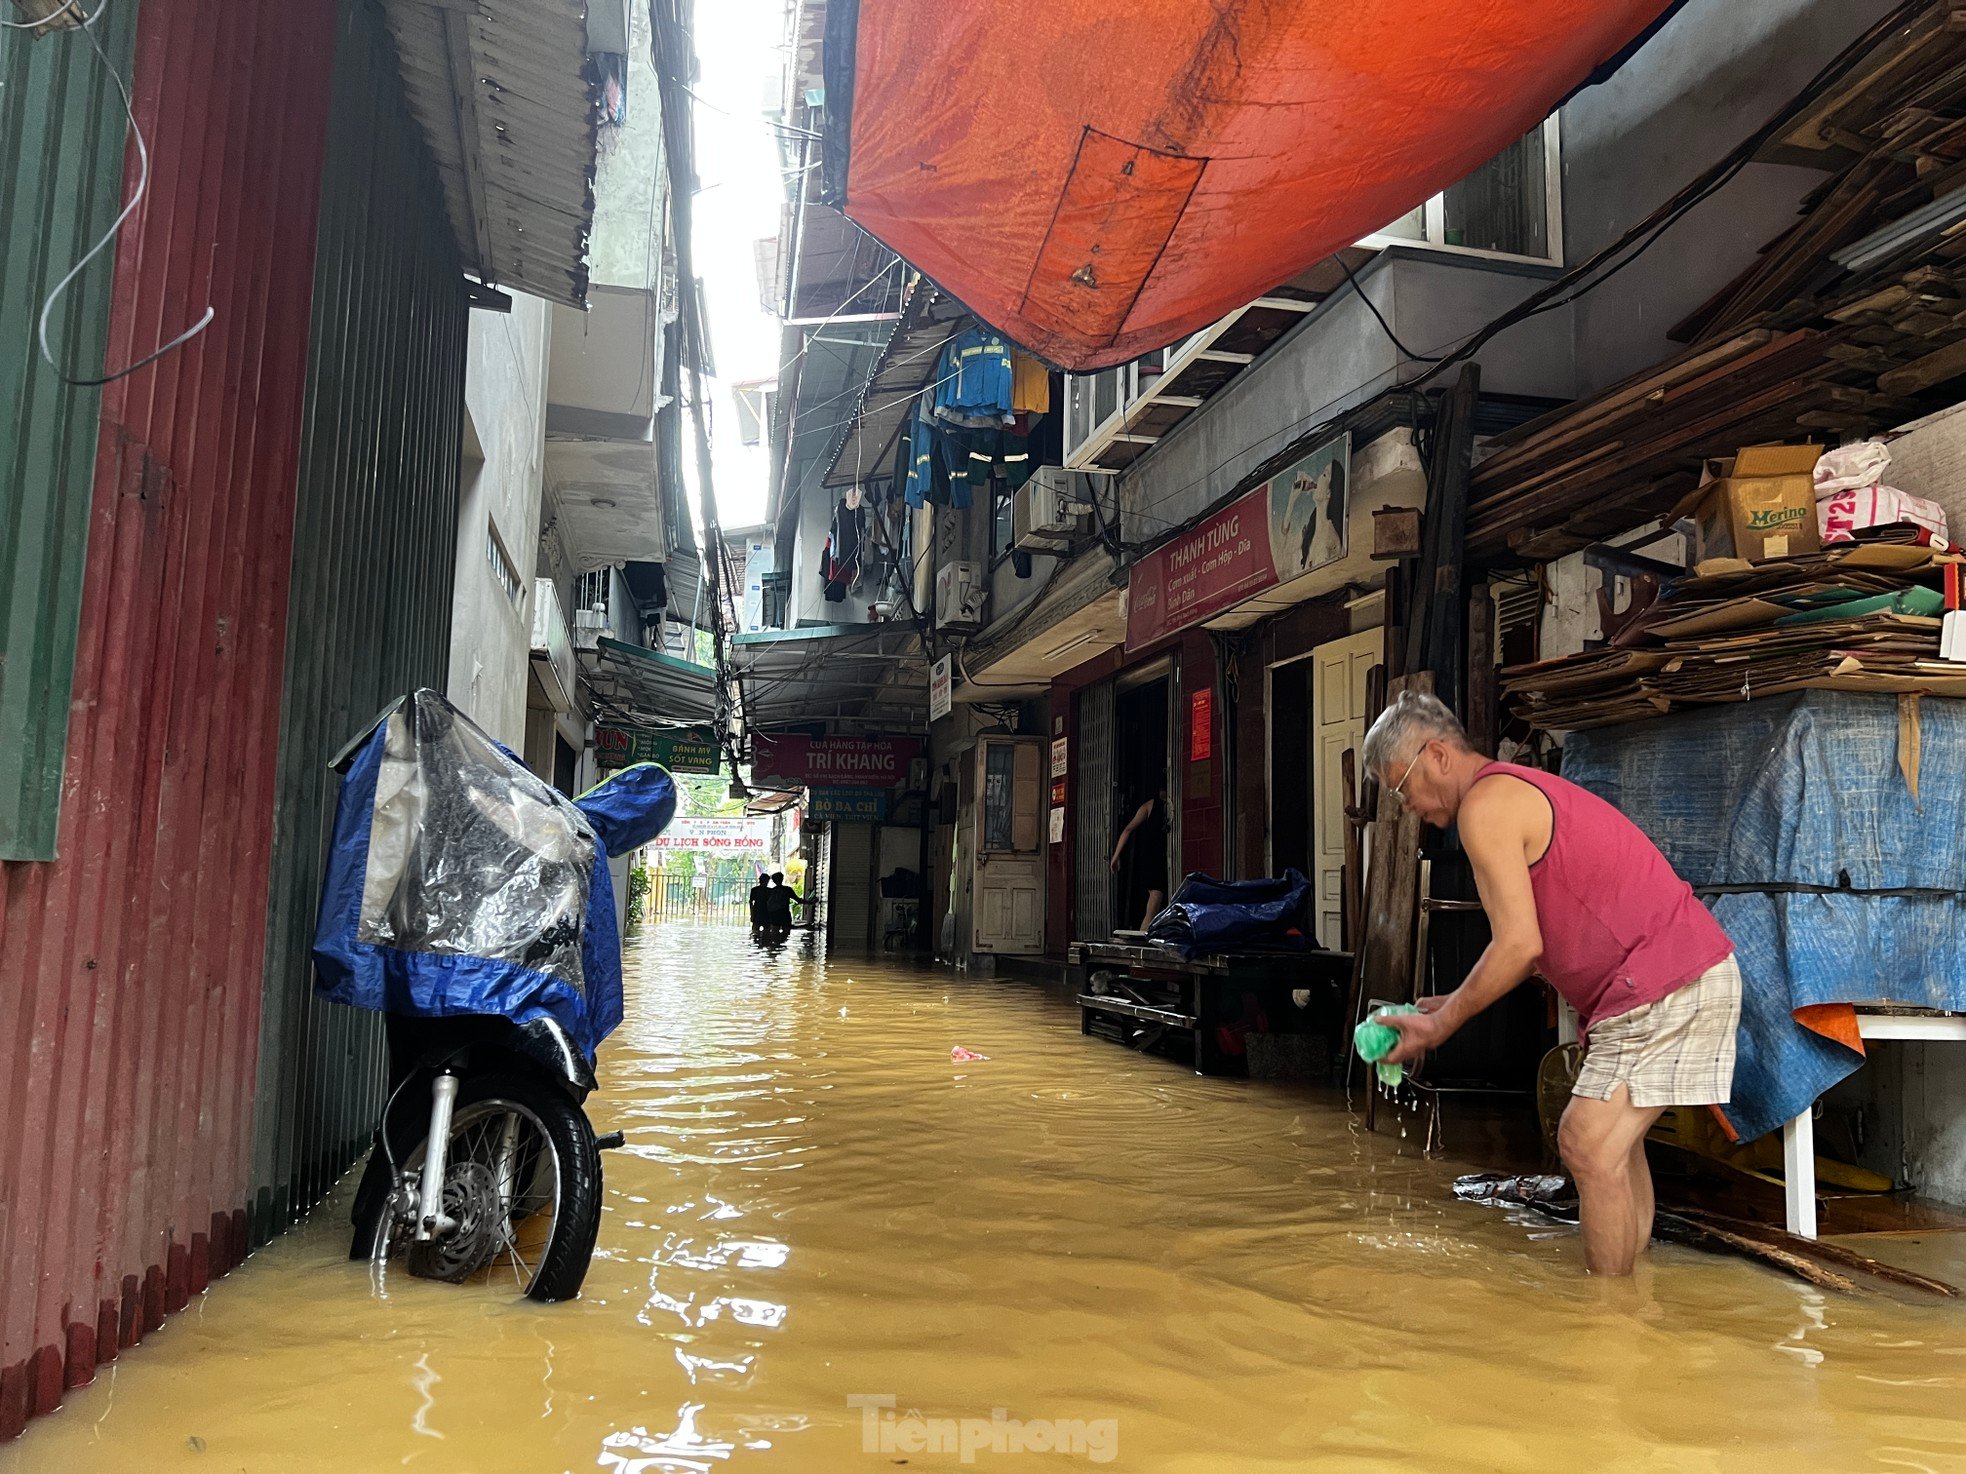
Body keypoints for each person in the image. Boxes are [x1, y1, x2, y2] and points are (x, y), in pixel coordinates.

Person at [1362, 691, 1739, 1278]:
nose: (1407, 806)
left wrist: (1441, 1024)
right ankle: (1630, 1317)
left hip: (1664, 977)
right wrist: (1451, 1002)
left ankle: (1604, 1326)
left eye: (1400, 787)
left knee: (1586, 1144)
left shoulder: (1484, 807)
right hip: (1666, 974)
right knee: (1611, 1154)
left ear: (1436, 754)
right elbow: (1535, 940)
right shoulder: (1504, 792)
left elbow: (1518, 945)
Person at [1109, 786, 1170, 933]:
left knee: (1155, 898)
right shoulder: (1159, 805)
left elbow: (1127, 830)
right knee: (1156, 896)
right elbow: (1128, 830)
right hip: (1155, 859)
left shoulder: (1149, 805)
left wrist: (1116, 856)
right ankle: (1142, 938)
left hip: (1149, 858)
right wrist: (1116, 856)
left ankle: (1146, 936)